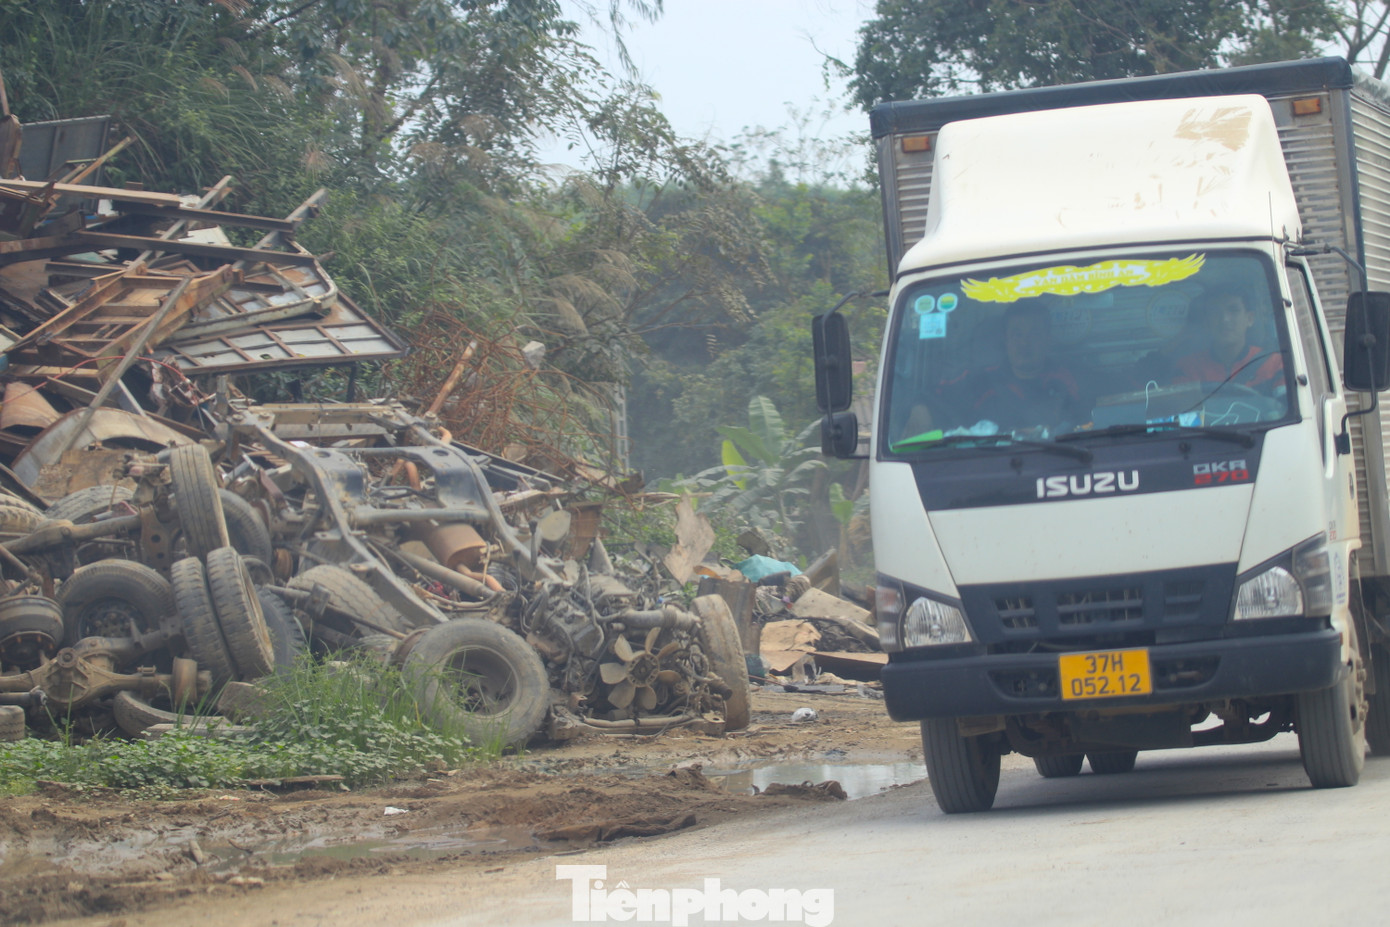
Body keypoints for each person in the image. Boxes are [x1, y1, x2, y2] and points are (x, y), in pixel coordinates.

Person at [970, 305, 1082, 432]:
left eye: (1034, 334)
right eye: (1017, 335)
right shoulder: (981, 383)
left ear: (1048, 340)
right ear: (1006, 341)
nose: (1024, 343)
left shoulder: (1070, 379)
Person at [1172, 287, 1283, 389]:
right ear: (1207, 322)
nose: (1225, 319)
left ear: (1250, 319)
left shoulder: (1274, 363)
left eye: (1234, 310)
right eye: (1215, 312)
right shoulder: (1188, 368)